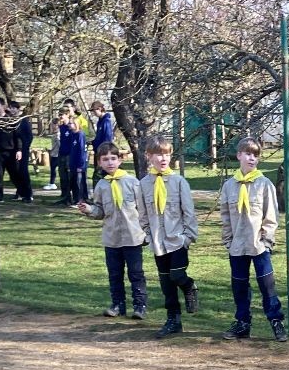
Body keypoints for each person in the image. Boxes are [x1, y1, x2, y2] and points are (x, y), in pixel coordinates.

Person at [218, 138, 287, 342]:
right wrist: (228, 241)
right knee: (239, 286)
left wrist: (266, 242)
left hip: (259, 246)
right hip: (237, 246)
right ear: (239, 155)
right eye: (248, 154)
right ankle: (242, 323)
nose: (252, 158)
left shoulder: (264, 184)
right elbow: (225, 217)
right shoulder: (229, 186)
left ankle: (276, 321)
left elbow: (271, 216)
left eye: (255, 155)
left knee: (267, 285)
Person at [77, 142, 148, 319]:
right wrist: (89, 210)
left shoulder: (133, 182)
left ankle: (140, 306)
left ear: (120, 160)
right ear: (99, 162)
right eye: (105, 159)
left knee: (136, 273)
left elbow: (143, 210)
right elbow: (100, 211)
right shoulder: (101, 185)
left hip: (133, 237)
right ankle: (118, 305)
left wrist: (146, 232)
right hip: (112, 238)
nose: (110, 162)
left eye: (113, 158)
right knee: (115, 274)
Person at [137, 133, 198, 338]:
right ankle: (173, 319)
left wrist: (188, 237)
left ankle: (189, 286)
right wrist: (148, 235)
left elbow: (189, 212)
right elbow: (143, 215)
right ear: (149, 156)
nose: (163, 159)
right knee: (166, 284)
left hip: (178, 240)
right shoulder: (143, 184)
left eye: (166, 154)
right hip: (158, 242)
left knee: (177, 276)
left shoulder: (179, 182)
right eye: (158, 154)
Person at [57, 108, 89, 206]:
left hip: (78, 163)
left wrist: (80, 165)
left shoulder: (80, 135)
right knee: (72, 180)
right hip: (72, 161)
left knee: (78, 182)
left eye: (71, 124)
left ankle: (80, 200)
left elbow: (81, 151)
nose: (69, 125)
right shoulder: (73, 134)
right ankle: (73, 199)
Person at [5, 102, 33, 202]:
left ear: (18, 109)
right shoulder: (10, 121)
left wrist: (23, 148)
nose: (12, 110)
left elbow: (29, 136)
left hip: (22, 150)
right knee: (14, 172)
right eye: (11, 108)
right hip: (13, 150)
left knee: (23, 172)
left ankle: (28, 194)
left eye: (14, 108)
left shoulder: (23, 121)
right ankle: (20, 191)